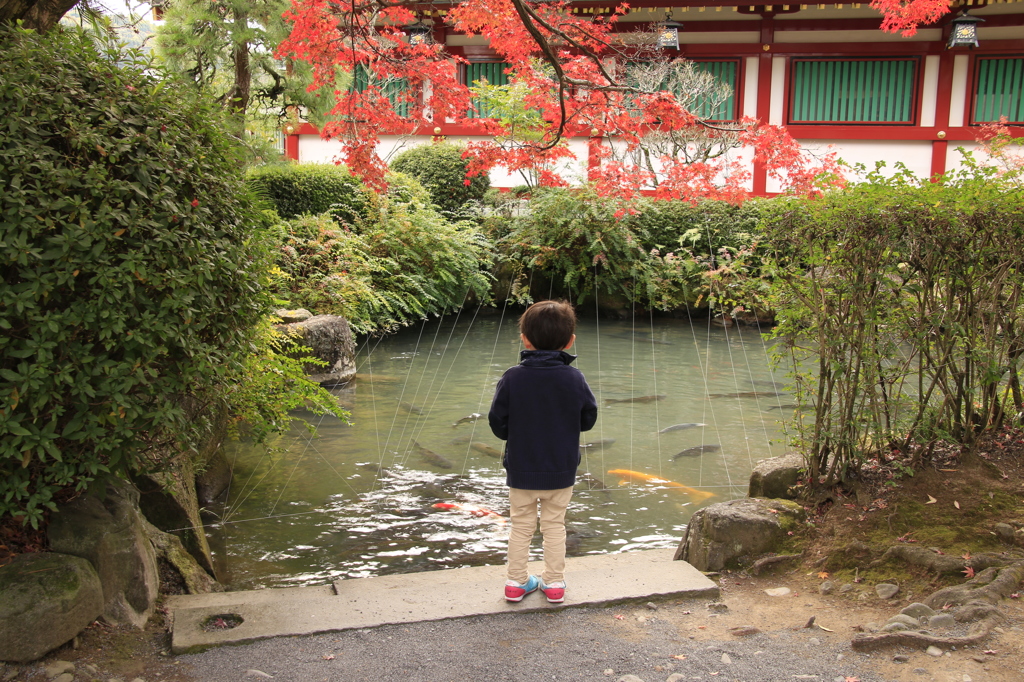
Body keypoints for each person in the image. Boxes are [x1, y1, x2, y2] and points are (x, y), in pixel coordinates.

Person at [488, 300, 598, 604]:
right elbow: (588, 419)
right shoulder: (575, 378)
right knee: (554, 527)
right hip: (561, 470)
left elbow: (498, 422)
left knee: (521, 527)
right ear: (570, 341)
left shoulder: (512, 377)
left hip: (521, 469)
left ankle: (516, 582)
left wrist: (518, 434)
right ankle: (554, 584)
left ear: (524, 339)